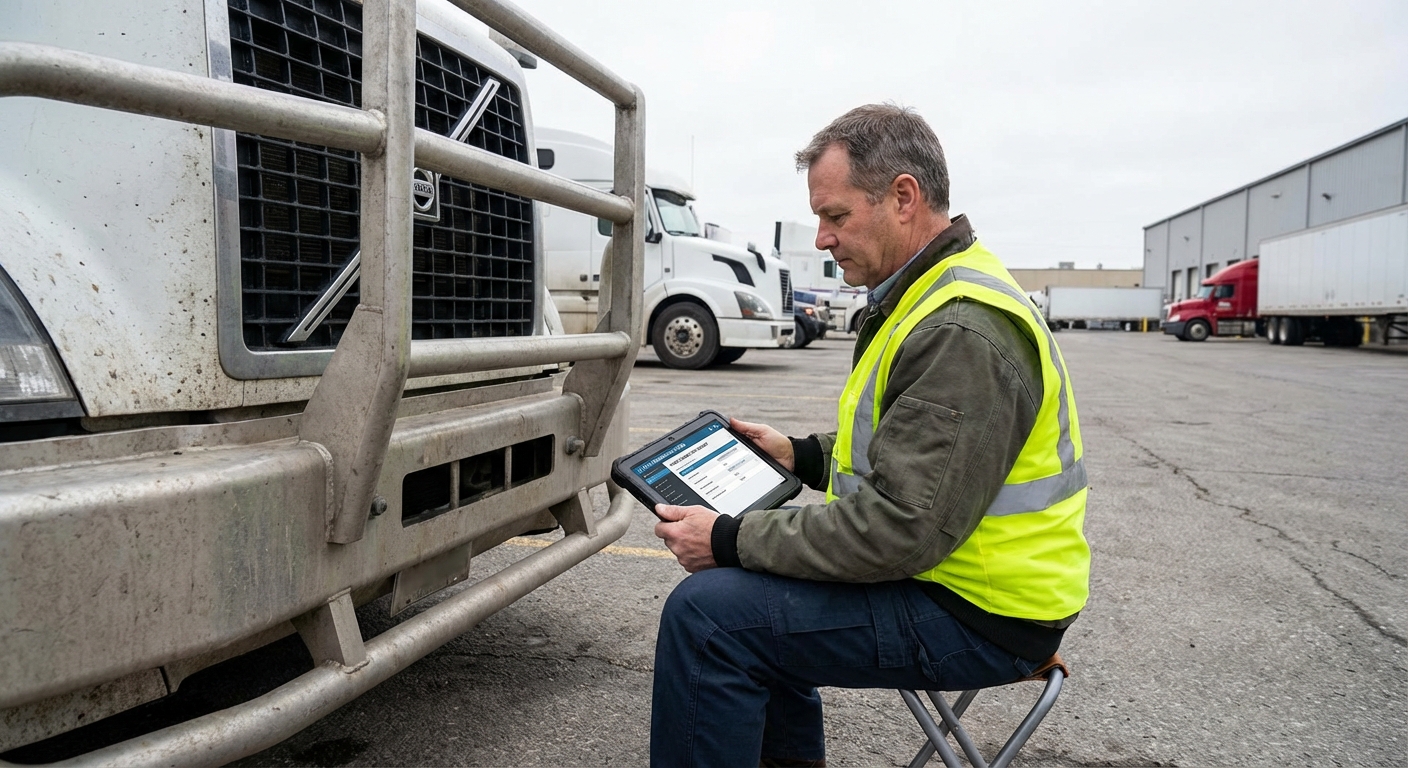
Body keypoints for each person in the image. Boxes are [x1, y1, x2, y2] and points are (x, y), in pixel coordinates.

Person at [649, 104, 1090, 767]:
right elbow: (907, 453)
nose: (822, 238)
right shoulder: (932, 293)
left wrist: (728, 538)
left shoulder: (960, 330)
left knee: (710, 618)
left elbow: (898, 528)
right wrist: (799, 456)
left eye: (835, 216)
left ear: (903, 198)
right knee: (753, 607)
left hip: (980, 613)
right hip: (957, 579)